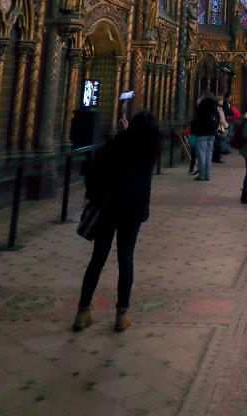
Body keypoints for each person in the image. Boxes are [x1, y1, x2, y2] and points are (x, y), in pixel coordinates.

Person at [72, 110, 159, 332]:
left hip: (108, 210)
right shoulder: (150, 151)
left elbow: (94, 171)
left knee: (97, 259)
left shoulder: (117, 143)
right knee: (126, 260)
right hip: (132, 213)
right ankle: (122, 315)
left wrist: (96, 196)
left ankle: (82, 312)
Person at [191, 91, 219, 181]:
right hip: (211, 133)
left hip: (202, 132)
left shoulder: (202, 106)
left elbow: (196, 119)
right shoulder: (214, 106)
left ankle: (201, 174)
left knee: (201, 154)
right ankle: (207, 174)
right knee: (209, 154)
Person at [212, 96, 228, 163]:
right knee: (218, 143)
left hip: (219, 127)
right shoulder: (218, 109)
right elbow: (221, 119)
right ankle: (216, 157)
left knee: (218, 143)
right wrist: (226, 126)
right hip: (219, 127)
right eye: (221, 100)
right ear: (218, 101)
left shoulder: (219, 108)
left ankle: (216, 156)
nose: (222, 101)